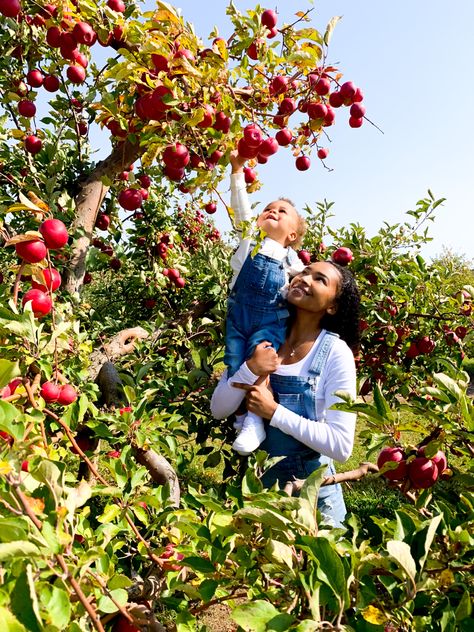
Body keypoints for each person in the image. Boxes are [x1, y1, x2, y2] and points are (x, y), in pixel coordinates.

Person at [211, 260, 360, 528]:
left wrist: (273, 412)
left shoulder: (336, 354)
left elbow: (341, 446)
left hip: (311, 500)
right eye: (304, 271)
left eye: (320, 279)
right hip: (256, 491)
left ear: (332, 306)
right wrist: (249, 369)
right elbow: (219, 409)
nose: (305, 278)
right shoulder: (261, 339)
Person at [224, 151, 307, 456]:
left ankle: (254, 420)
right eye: (268, 208)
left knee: (262, 363)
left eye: (282, 211)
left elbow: (308, 285)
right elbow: (240, 209)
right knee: (236, 363)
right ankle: (243, 414)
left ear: (293, 234)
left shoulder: (293, 260)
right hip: (237, 316)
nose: (273, 211)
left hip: (271, 321)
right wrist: (237, 169)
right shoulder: (250, 240)